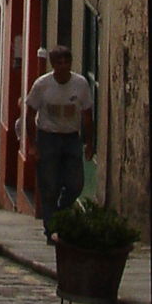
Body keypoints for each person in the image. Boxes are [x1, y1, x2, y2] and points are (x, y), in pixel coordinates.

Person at [24, 43, 95, 235]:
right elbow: (30, 115)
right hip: (48, 137)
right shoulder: (42, 85)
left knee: (75, 184)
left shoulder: (80, 84)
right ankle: (51, 228)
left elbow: (87, 115)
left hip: (72, 137)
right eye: (59, 62)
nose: (63, 66)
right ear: (53, 64)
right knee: (49, 186)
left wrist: (89, 142)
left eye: (67, 62)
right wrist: (32, 145)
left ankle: (61, 212)